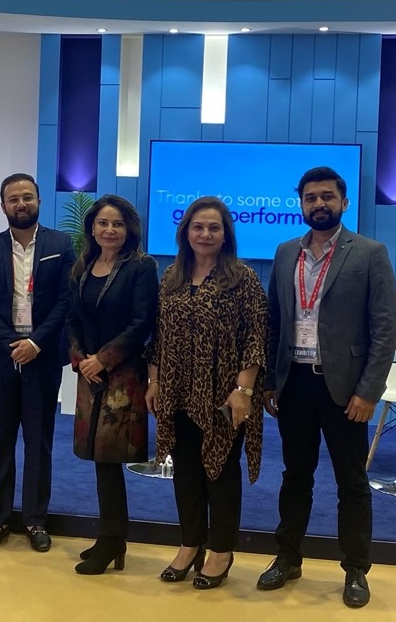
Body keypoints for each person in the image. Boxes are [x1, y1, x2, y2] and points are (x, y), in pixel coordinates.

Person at [258, 166, 396, 608]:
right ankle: (288, 558)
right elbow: (274, 321)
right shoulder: (285, 253)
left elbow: (385, 330)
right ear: (301, 204)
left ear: (344, 202)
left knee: (351, 482)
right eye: (310, 197)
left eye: (327, 196)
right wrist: (269, 381)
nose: (319, 204)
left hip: (345, 390)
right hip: (294, 384)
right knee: (295, 477)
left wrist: (369, 391)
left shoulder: (369, 253)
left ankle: (356, 569)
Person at [147, 196, 268, 590]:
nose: (205, 234)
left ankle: (221, 550)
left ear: (225, 234)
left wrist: (243, 389)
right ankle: (190, 543)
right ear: (186, 232)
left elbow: (256, 337)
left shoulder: (243, 278)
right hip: (177, 391)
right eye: (198, 227)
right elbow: (158, 336)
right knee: (185, 470)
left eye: (214, 228)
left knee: (220, 470)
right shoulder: (172, 276)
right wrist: (155, 381)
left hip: (224, 394)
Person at [0, 173, 76, 552]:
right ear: (3, 206)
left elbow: (65, 299)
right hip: (0, 357)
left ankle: (35, 520)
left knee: (38, 442)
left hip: (42, 358)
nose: (21, 204)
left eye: (28, 197)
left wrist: (35, 342)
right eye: (13, 199)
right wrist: (11, 342)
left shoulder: (61, 245)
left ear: (39, 201)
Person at [65, 194, 157, 575]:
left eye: (117, 224)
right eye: (103, 223)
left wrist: (103, 359)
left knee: (110, 459)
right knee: (97, 460)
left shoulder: (141, 267)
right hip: (89, 374)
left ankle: (112, 539)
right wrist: (81, 359)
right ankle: (111, 537)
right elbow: (73, 318)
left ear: (129, 229)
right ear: (92, 228)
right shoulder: (84, 265)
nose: (109, 230)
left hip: (123, 376)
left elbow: (142, 323)